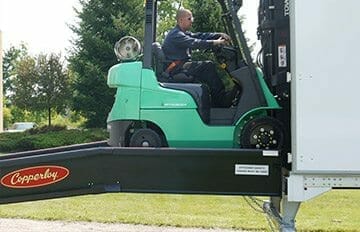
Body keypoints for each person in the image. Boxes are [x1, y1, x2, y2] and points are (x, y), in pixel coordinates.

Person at [162, 8, 238, 107]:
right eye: (189, 19)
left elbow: (199, 36)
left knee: (206, 67)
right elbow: (194, 43)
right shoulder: (176, 34)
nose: (192, 21)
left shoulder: (182, 33)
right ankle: (221, 102)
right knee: (208, 66)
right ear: (181, 20)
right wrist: (216, 42)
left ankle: (216, 102)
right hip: (176, 68)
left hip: (181, 66)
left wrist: (218, 35)